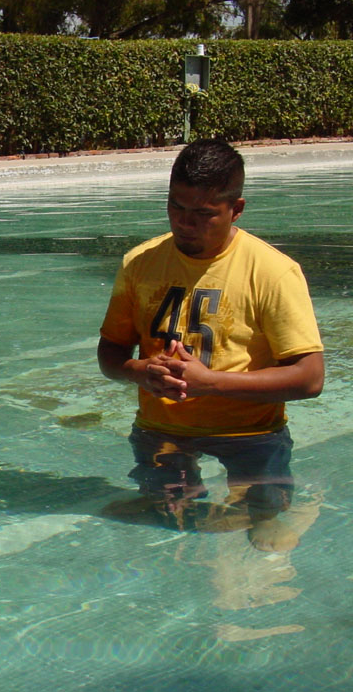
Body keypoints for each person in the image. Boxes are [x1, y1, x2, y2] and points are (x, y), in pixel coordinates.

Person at [97, 138, 324, 552]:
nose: (185, 223)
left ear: (235, 209)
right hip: (161, 428)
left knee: (267, 532)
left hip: (252, 434)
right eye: (176, 208)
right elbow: (110, 353)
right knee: (164, 520)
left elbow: (310, 379)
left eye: (203, 214)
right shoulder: (139, 264)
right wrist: (138, 371)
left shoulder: (273, 272)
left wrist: (211, 383)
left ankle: (267, 513)